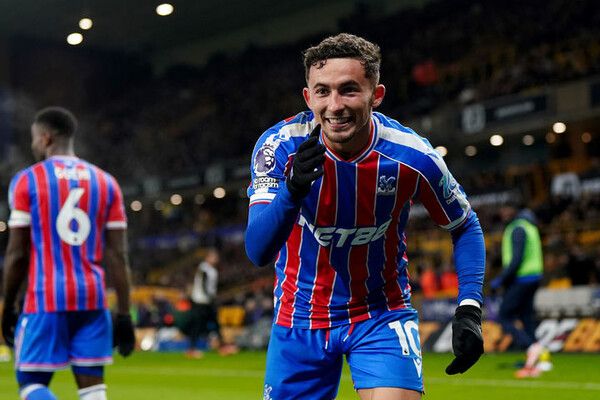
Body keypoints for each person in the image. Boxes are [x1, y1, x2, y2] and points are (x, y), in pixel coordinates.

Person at [245, 34, 486, 400]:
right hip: (299, 317)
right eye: (323, 92)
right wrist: (292, 190)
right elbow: (257, 250)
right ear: (308, 97)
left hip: (380, 314)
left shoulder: (413, 156)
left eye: (349, 90)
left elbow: (464, 224)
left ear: (377, 95)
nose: (335, 105)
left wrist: (469, 307)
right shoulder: (280, 147)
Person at [1, 107, 135, 400]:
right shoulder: (106, 182)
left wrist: (8, 306)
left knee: (30, 383)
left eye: (34, 139)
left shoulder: (28, 180)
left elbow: (17, 254)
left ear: (46, 138)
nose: (33, 145)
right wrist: (124, 314)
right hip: (93, 299)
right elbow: (118, 256)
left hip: (45, 298)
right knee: (93, 389)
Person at [491, 201, 544, 378]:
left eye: (506, 209)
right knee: (526, 317)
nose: (503, 213)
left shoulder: (517, 228)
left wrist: (501, 280)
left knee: (504, 316)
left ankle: (531, 348)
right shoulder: (530, 226)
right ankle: (534, 363)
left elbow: (516, 259)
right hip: (534, 277)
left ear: (514, 210)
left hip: (522, 278)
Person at [187, 248, 236, 357]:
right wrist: (210, 297)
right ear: (208, 257)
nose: (216, 259)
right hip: (201, 301)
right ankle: (192, 349)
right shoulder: (204, 269)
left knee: (215, 323)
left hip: (206, 301)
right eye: (214, 257)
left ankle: (221, 346)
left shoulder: (211, 270)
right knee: (198, 325)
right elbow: (204, 285)